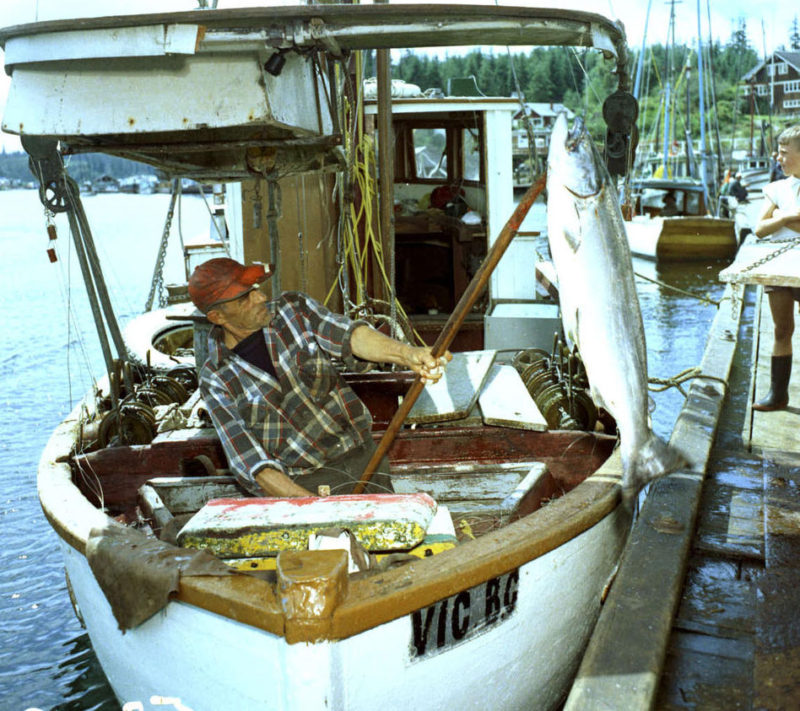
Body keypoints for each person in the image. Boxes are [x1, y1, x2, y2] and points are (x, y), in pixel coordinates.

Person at [188, 257, 451, 496]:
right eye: (244, 298)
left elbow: (350, 336)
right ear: (217, 316)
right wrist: (313, 508)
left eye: (255, 289)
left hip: (365, 460)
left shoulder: (293, 311)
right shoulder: (216, 379)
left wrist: (408, 355)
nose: (261, 297)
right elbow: (254, 465)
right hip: (307, 484)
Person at [752, 125, 800, 411]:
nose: (778, 158)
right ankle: (778, 395)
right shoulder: (777, 189)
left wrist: (782, 215)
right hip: (780, 265)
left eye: (784, 153)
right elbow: (760, 228)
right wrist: (784, 218)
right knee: (782, 329)